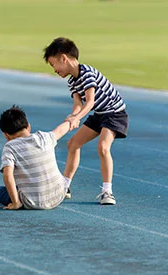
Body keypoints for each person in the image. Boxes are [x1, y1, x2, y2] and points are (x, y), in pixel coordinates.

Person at [43, 37, 129, 205]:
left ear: (63, 58)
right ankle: (64, 186)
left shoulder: (87, 73)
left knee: (103, 148)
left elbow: (90, 101)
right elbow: (78, 104)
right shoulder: (72, 81)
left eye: (53, 64)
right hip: (100, 114)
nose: (54, 69)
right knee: (73, 144)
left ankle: (107, 192)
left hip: (114, 114)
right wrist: (72, 117)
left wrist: (78, 117)